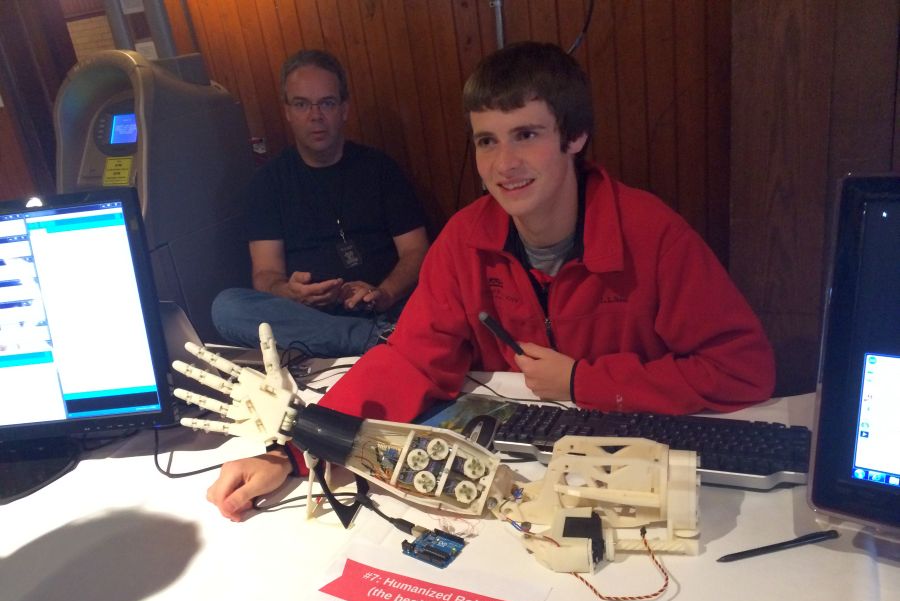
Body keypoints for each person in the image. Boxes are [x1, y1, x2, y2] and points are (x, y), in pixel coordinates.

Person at [206, 42, 776, 521]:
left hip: (632, 472)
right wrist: (292, 452)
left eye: (525, 134)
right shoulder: (464, 239)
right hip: (516, 478)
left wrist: (583, 381)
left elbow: (743, 370)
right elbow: (409, 362)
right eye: (486, 140)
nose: (504, 164)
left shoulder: (652, 233)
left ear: (575, 136)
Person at [211, 49, 430, 357]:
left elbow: (417, 251)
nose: (315, 116)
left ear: (344, 109)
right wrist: (289, 292)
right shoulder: (267, 183)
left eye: (327, 103)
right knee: (227, 307)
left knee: (442, 296)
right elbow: (265, 274)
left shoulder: (379, 168)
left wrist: (384, 293)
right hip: (310, 318)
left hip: (387, 306)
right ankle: (374, 340)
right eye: (302, 104)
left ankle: (370, 337)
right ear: (287, 112)